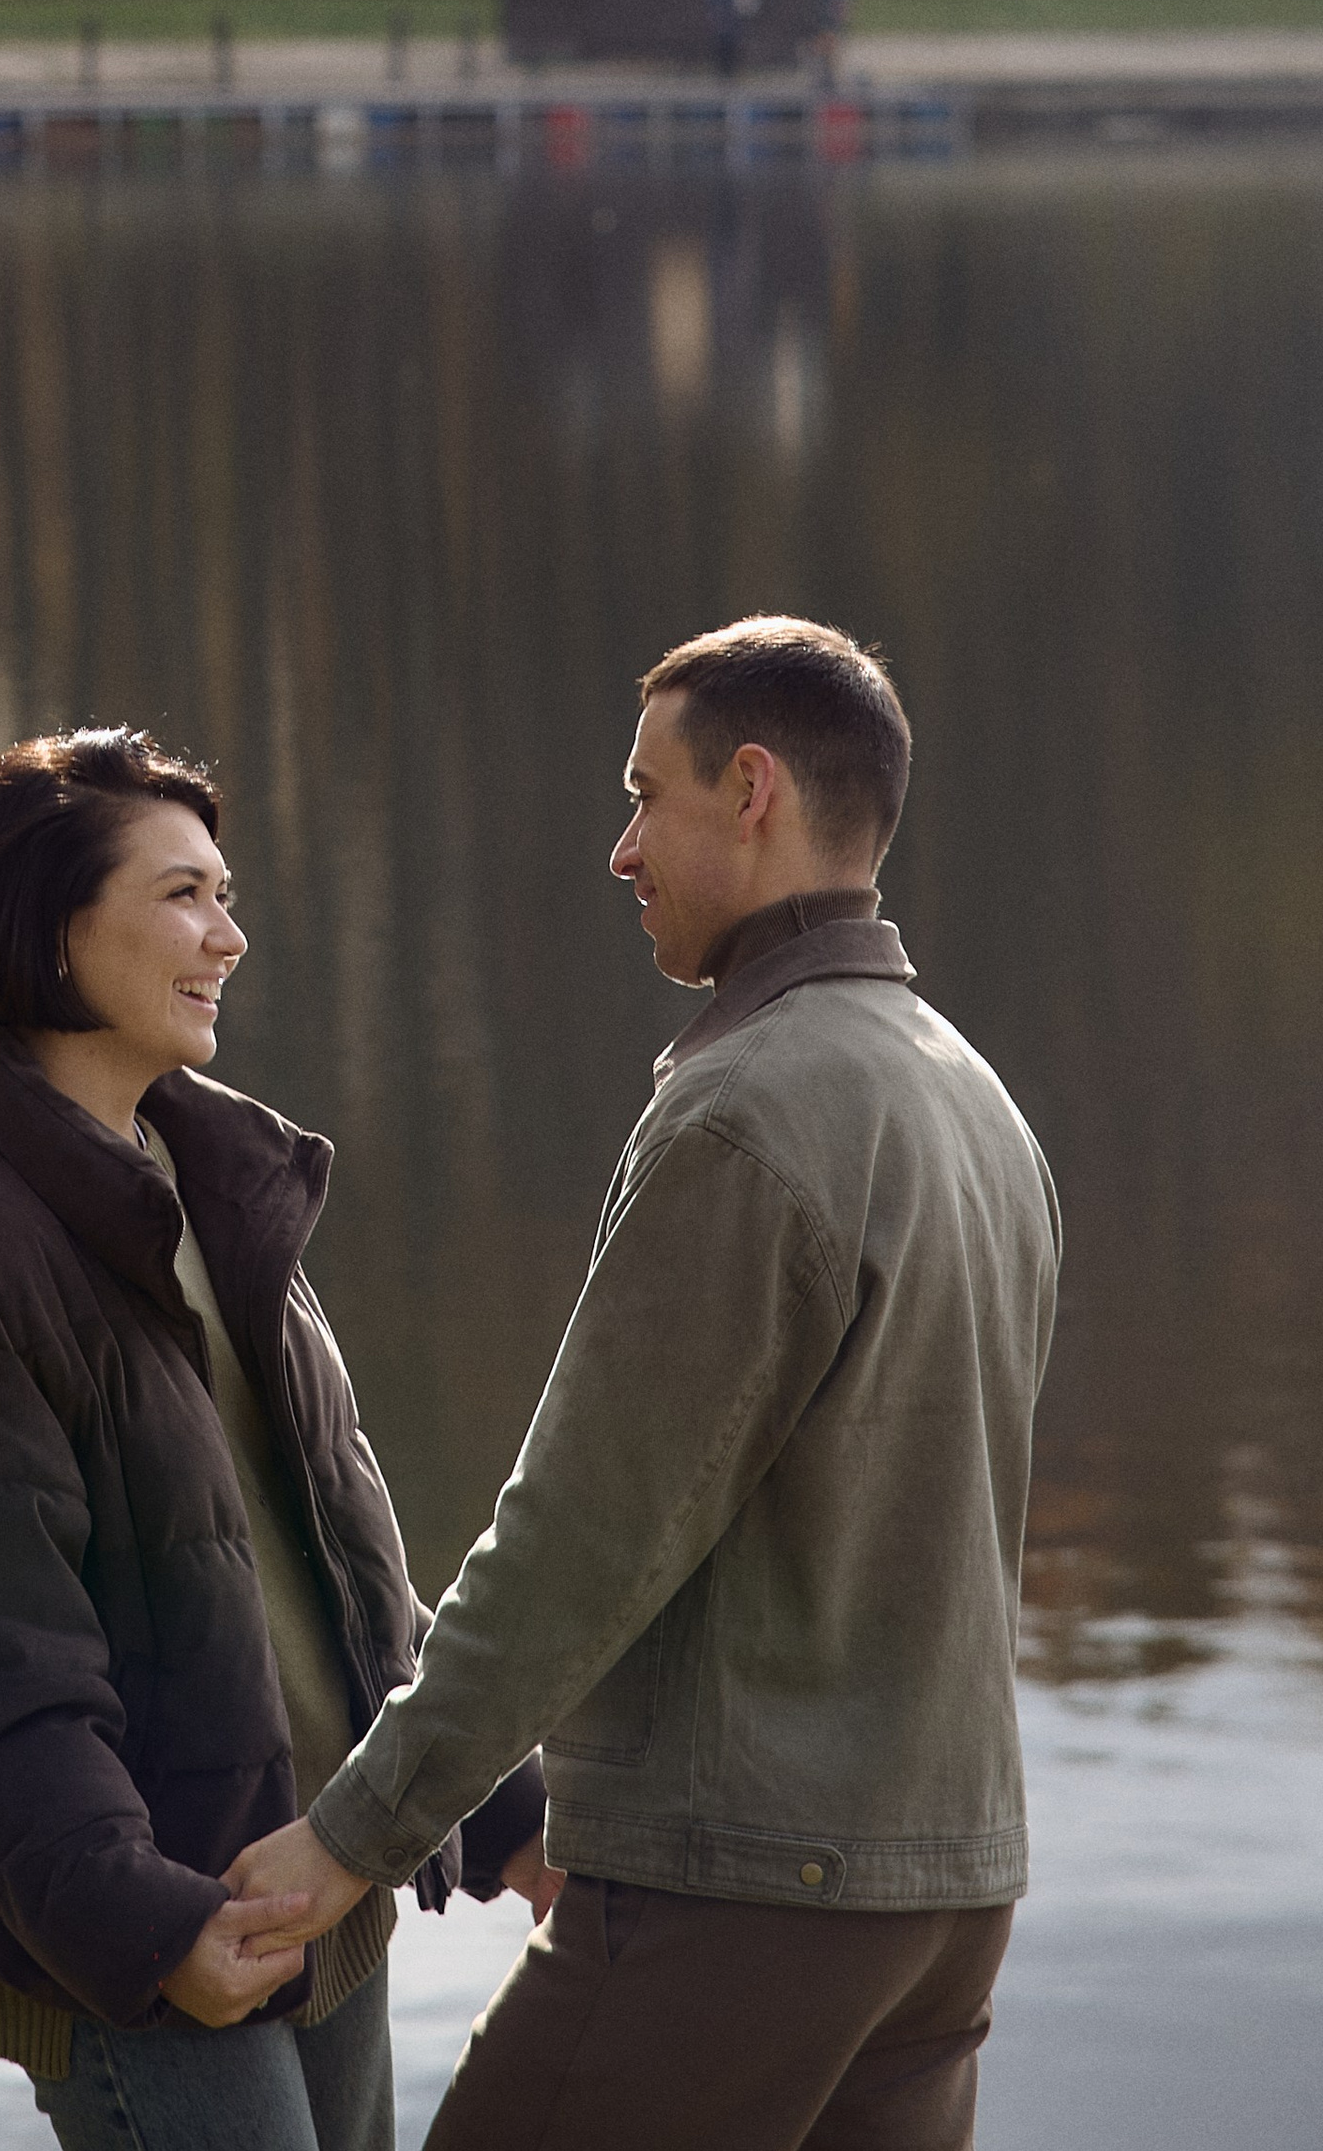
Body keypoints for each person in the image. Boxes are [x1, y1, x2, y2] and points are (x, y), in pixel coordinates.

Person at [229, 618, 1062, 2151]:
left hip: (741, 1900)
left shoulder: (749, 1112)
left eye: (645, 795)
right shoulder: (972, 1096)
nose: (621, 847)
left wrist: (355, 1831)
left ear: (753, 788)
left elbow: (578, 1540)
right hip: (943, 1893)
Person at [0, 727, 548, 2151]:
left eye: (227, 890)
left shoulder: (206, 1176)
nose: (232, 934)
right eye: (184, 895)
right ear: (51, 928)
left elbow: (332, 1548)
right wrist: (148, 1929)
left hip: (313, 1876)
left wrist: (495, 1801)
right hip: (150, 1947)